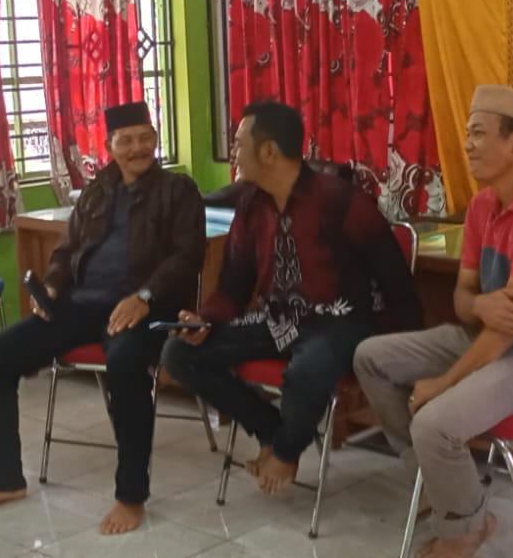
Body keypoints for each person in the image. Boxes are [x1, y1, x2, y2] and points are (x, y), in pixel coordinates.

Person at [352, 85, 513, 558]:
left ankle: (467, 526)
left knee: (433, 422)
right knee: (371, 357)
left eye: (479, 134)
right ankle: (435, 483)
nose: (467, 145)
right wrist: (482, 305)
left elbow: (510, 328)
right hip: (490, 339)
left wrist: (443, 382)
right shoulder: (483, 206)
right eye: (468, 133)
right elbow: (463, 299)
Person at [0, 102, 205, 535]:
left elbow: (187, 258)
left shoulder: (177, 190)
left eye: (144, 138)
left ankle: (131, 496)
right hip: (82, 304)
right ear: (110, 146)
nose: (137, 148)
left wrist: (144, 296)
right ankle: (2, 480)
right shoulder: (97, 190)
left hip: (146, 308)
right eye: (126, 141)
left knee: (126, 363)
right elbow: (66, 251)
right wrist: (53, 286)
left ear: (155, 139)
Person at [162, 100, 422, 495]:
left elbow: (397, 283)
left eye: (239, 144)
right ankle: (271, 432)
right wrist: (205, 319)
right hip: (277, 320)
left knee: (308, 370)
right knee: (178, 353)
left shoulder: (342, 201)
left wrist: (407, 358)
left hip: (341, 322)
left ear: (269, 151)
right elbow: (233, 287)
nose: (234, 154)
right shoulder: (250, 205)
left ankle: (284, 452)